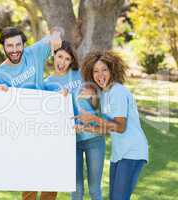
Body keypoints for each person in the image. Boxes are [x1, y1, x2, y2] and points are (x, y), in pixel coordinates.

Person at [0, 26, 62, 200]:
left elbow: (57, 33)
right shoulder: (0, 73)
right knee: (30, 182)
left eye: (18, 45)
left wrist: (56, 35)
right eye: (10, 46)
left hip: (47, 125)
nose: (15, 50)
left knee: (51, 179)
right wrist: (0, 91)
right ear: (3, 46)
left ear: (24, 44)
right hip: (24, 132)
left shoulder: (35, 53)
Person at [75, 51, 149, 200]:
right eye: (95, 71)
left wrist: (93, 119)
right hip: (119, 155)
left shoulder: (118, 92)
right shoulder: (105, 95)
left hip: (132, 152)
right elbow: (108, 128)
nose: (100, 74)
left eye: (104, 70)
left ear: (112, 71)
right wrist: (84, 127)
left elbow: (120, 127)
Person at [43, 41, 105, 200]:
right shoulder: (47, 84)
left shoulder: (81, 74)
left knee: (94, 190)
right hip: (70, 142)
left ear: (72, 61)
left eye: (67, 59)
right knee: (76, 190)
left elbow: (98, 103)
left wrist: (92, 96)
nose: (62, 62)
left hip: (94, 138)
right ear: (54, 56)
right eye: (60, 57)